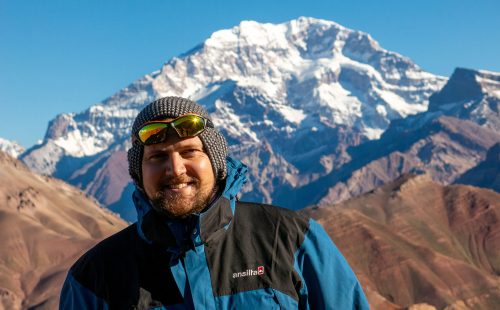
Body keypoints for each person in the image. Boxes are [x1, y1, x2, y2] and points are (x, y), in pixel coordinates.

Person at [60, 96, 369, 309]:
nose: (175, 169)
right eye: (157, 157)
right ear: (139, 174)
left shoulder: (292, 239)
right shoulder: (95, 276)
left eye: (189, 152)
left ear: (216, 161)